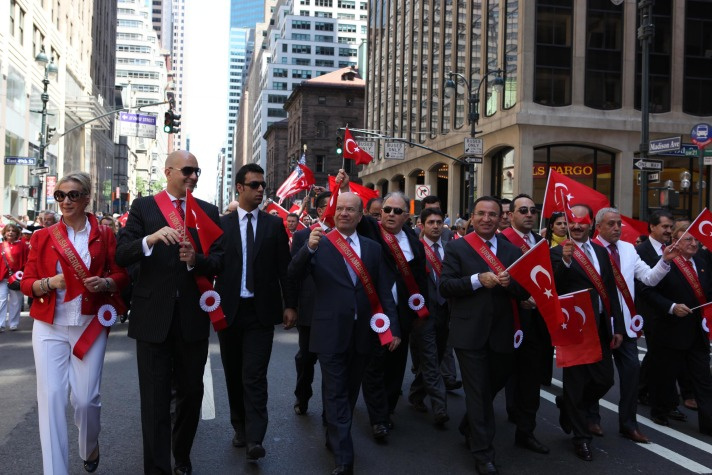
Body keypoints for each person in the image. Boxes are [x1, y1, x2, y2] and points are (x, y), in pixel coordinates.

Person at [116, 150, 224, 475]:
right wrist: (149, 239)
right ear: (168, 171)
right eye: (187, 170)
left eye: (197, 171)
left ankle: (182, 454)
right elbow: (122, 253)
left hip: (192, 319)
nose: (193, 176)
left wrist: (196, 260)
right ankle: (157, 468)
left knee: (191, 395)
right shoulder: (144, 207)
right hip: (152, 319)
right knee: (155, 401)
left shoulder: (207, 211)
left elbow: (220, 259)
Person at [22, 172, 128, 475]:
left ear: (87, 198)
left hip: (89, 323)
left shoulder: (105, 235)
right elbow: (28, 283)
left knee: (86, 399)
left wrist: (107, 282)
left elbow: (122, 275)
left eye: (73, 195)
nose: (66, 201)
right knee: (51, 397)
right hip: (49, 326)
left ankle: (88, 445)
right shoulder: (42, 237)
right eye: (60, 195)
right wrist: (48, 283)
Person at [288, 192, 400, 475]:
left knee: (349, 392)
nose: (344, 213)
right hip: (328, 331)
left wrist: (393, 328)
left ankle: (334, 432)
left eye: (351, 210)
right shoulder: (318, 243)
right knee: (336, 391)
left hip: (363, 331)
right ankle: (344, 457)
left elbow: (384, 291)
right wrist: (308, 250)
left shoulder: (373, 249)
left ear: (361, 216)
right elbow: (292, 274)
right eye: (340, 209)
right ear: (332, 213)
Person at [214, 163, 297, 462]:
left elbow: (284, 270)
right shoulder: (221, 226)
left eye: (263, 185)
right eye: (254, 185)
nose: (261, 189)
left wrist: (290, 304)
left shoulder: (274, 226)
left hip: (261, 314)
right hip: (229, 313)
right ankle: (240, 426)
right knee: (234, 374)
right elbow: (212, 266)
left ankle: (255, 438)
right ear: (239, 187)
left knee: (254, 376)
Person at [440, 196, 525, 475]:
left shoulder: (512, 251)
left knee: (491, 387)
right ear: (472, 217)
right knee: (476, 393)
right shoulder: (456, 248)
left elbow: (524, 292)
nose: (487, 219)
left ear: (501, 218)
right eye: (481, 214)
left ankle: (469, 426)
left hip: (502, 331)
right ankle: (483, 453)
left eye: (492, 214)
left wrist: (511, 283)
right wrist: (478, 280)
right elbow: (446, 286)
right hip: (469, 332)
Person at [588, 207, 677, 444]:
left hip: (626, 325)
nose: (617, 228)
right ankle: (591, 417)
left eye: (619, 223)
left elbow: (648, 278)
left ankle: (628, 424)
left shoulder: (628, 249)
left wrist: (665, 262)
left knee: (631, 375)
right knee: (600, 378)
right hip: (599, 325)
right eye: (611, 224)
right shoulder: (588, 250)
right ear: (599, 227)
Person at [550, 204, 624, 462]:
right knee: (576, 382)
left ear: (591, 224)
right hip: (575, 327)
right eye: (571, 221)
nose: (577, 226)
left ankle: (570, 406)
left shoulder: (602, 253)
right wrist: (567, 261)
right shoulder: (557, 253)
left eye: (582, 221)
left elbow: (611, 291)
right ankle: (581, 439)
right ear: (566, 224)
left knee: (604, 380)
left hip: (601, 327)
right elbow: (554, 286)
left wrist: (617, 327)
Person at [637, 223, 712, 435]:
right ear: (675, 243)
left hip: (698, 330)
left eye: (695, 239)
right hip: (671, 329)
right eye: (687, 240)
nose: (693, 243)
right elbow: (647, 291)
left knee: (703, 378)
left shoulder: (702, 260)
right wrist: (670, 307)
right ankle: (660, 410)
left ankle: (708, 422)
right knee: (666, 375)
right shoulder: (664, 262)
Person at [499, 194, 551, 454]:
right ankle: (471, 425)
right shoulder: (501, 241)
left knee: (530, 381)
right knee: (495, 378)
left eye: (533, 210)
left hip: (535, 324)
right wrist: (521, 297)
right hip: (507, 320)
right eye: (523, 210)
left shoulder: (542, 243)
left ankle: (525, 431)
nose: (529, 214)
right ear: (511, 215)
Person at [290, 191, 332, 416]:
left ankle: (331, 408)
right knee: (306, 359)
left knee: (333, 362)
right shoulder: (302, 236)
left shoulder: (345, 238)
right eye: (330, 206)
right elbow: (293, 272)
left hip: (335, 311)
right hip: (309, 309)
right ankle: (302, 396)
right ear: (319, 211)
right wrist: (291, 306)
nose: (335, 211)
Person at [408, 207, 449, 425]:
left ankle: (416, 393)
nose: (435, 226)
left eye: (439, 222)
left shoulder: (450, 249)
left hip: (446, 312)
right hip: (422, 314)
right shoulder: (415, 249)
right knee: (431, 361)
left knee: (437, 356)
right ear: (422, 226)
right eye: (431, 222)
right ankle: (440, 407)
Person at [0, 223, 29, 331]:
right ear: (5, 233)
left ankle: (13, 323)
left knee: (16, 302)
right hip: (2, 278)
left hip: (17, 278)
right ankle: (0, 324)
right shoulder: (1, 246)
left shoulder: (23, 246)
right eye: (8, 231)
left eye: (13, 231)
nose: (10, 232)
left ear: (17, 233)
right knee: (1, 301)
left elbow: (28, 261)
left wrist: (25, 274)